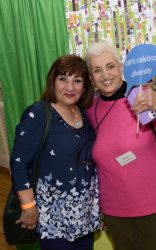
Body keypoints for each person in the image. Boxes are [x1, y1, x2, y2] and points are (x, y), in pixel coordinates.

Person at [85, 41, 156, 250]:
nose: (105, 75)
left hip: (153, 202)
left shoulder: (140, 97)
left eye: (110, 66)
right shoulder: (90, 109)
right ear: (91, 77)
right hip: (114, 208)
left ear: (121, 67)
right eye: (97, 70)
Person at [10, 55, 100, 250]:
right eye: (63, 79)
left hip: (85, 213)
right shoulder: (39, 113)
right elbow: (18, 162)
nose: (70, 87)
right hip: (54, 217)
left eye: (77, 80)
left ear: (84, 86)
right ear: (53, 81)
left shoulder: (84, 112)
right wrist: (28, 207)